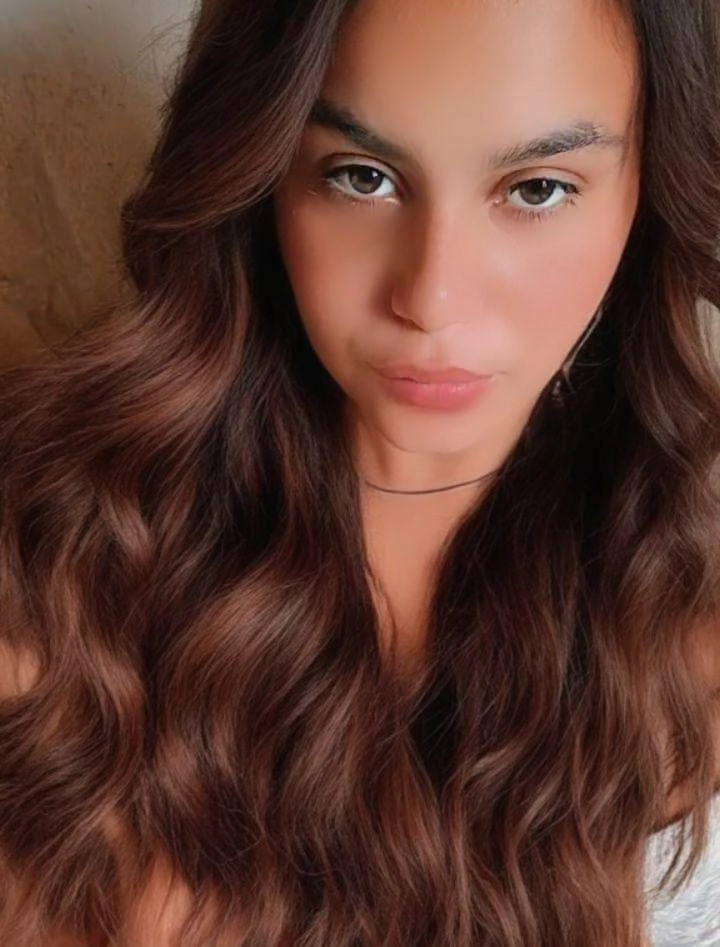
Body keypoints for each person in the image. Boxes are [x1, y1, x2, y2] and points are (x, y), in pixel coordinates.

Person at [0, 0, 719, 943]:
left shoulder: (683, 635)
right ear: (262, 172)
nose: (431, 298)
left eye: (538, 188)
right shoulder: (59, 566)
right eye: (362, 176)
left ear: (646, 189)